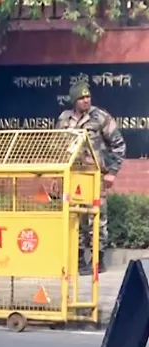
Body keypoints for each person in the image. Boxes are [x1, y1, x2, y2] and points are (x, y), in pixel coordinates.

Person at [56, 80, 126, 275]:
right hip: (72, 176)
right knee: (75, 217)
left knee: (97, 218)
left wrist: (112, 172)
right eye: (81, 98)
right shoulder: (64, 119)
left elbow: (119, 145)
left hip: (95, 176)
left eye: (88, 97)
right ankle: (78, 260)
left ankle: (97, 260)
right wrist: (57, 176)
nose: (86, 100)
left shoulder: (100, 117)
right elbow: (57, 147)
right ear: (74, 101)